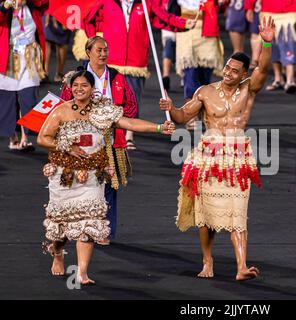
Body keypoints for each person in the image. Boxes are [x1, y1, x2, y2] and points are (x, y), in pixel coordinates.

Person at [160, 16, 275, 281]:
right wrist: (171, 109)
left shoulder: (249, 89)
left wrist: (267, 44)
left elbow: (264, 70)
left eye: (235, 70)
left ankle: (241, 266)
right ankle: (207, 262)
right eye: (227, 67)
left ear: (244, 74)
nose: (228, 73)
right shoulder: (205, 91)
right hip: (208, 154)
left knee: (238, 211)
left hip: (237, 155)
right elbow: (181, 118)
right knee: (206, 213)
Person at [38, 70, 175, 284]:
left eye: (84, 85)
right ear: (70, 87)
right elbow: (42, 137)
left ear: (93, 89)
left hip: (93, 175)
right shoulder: (60, 111)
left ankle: (82, 272)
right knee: (61, 228)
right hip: (65, 177)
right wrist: (66, 146)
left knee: (90, 222)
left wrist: (158, 127)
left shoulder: (103, 111)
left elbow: (129, 123)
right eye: (75, 85)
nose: (79, 89)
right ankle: (57, 253)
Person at [76, 0, 196, 150]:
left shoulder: (145, 3)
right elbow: (89, 19)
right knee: (111, 98)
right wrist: (94, 42)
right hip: (113, 58)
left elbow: (163, 17)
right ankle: (109, 133)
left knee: (133, 99)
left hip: (136, 59)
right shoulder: (107, 2)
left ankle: (129, 136)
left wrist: (183, 24)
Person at [60, 36, 138, 245]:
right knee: (81, 185)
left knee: (108, 186)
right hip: (83, 142)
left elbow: (131, 104)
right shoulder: (76, 77)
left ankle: (104, 230)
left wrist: (115, 119)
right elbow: (64, 105)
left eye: (106, 50)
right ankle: (80, 228)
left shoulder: (116, 77)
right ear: (88, 52)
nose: (103, 54)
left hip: (110, 142)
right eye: (99, 50)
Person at [0, 0, 47, 151]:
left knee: (28, 97)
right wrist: (4, 6)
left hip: (30, 57)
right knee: (9, 99)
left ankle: (25, 137)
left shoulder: (32, 7)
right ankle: (12, 137)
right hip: (9, 57)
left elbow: (44, 2)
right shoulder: (5, 10)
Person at [260, 0, 296, 93]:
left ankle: (290, 80)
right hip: (269, 10)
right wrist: (249, 7)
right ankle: (278, 79)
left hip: (289, 11)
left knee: (288, 43)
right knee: (273, 46)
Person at [42, 13, 71, 82]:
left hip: (65, 11)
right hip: (48, 11)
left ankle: (59, 72)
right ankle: (45, 72)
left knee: (62, 42)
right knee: (46, 41)